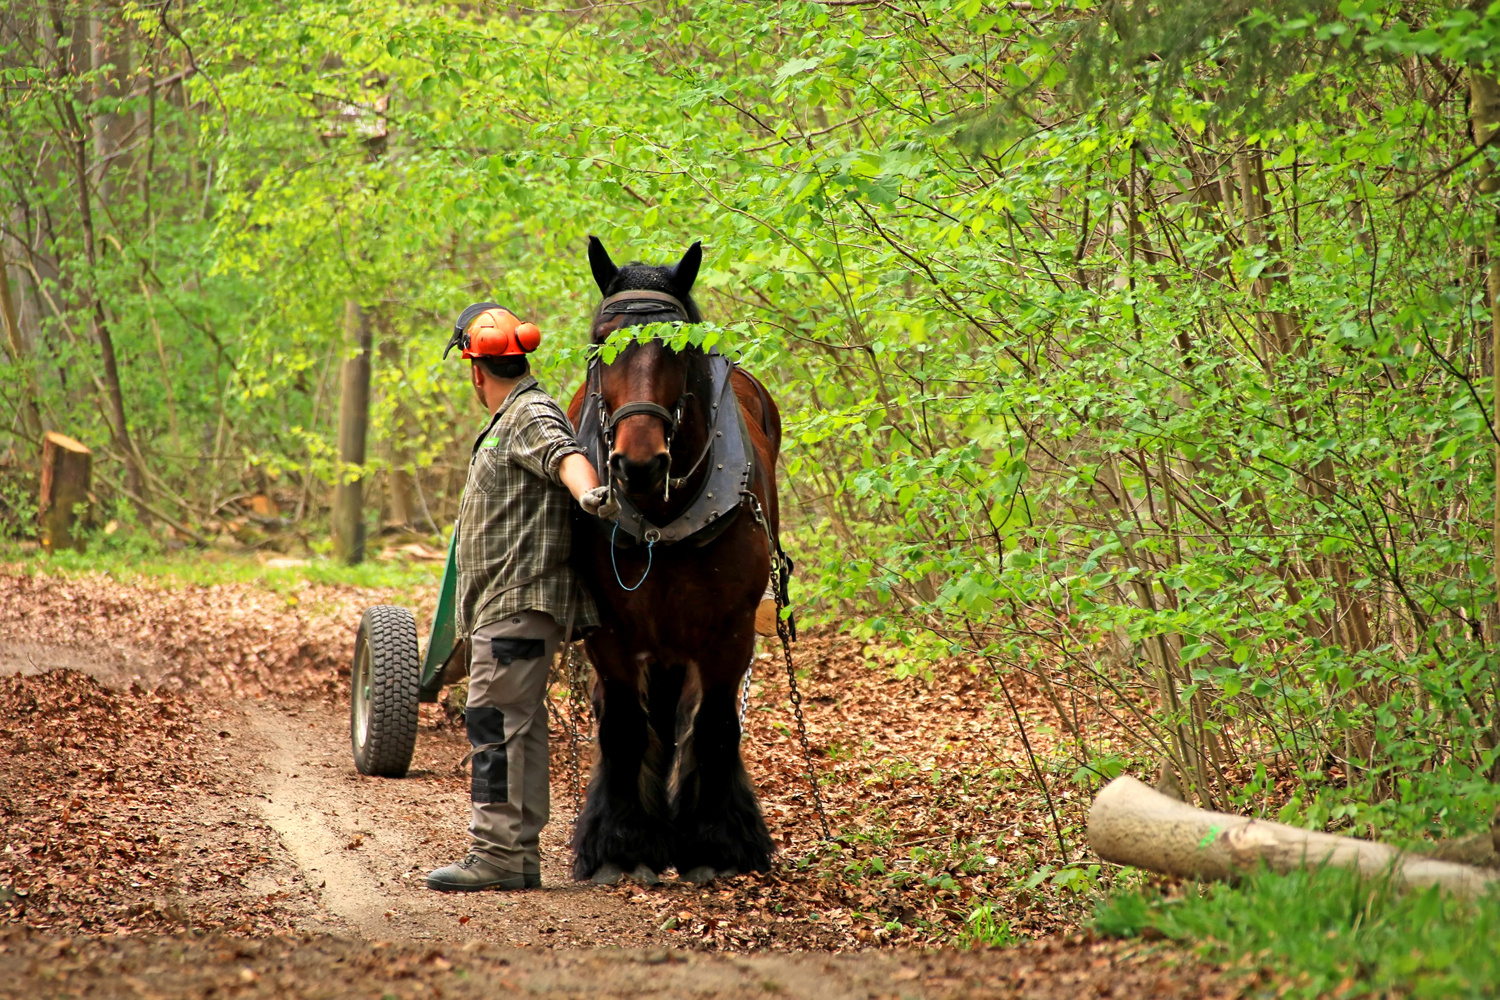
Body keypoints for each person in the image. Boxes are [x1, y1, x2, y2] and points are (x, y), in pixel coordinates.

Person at [426, 303, 616, 892]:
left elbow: (567, 458)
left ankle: (497, 853)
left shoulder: (529, 412)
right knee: (517, 726)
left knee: (492, 721)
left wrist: (590, 495)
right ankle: (518, 853)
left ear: (474, 369)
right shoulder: (513, 415)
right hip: (507, 606)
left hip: (516, 604)